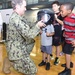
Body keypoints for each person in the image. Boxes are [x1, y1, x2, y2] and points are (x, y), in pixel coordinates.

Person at [2, 0, 46, 75]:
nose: (25, 9)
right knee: (33, 71)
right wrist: (38, 26)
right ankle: (13, 63)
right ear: (18, 7)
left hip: (19, 45)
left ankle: (11, 60)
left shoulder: (19, 17)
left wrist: (37, 23)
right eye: (24, 6)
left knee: (31, 41)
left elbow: (28, 24)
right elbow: (29, 34)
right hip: (15, 49)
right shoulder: (16, 19)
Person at [58, 2, 75, 75]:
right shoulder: (65, 17)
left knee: (67, 53)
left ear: (69, 11)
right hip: (67, 38)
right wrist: (65, 31)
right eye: (60, 10)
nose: (60, 12)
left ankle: (67, 70)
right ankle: (69, 64)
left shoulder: (74, 18)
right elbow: (66, 25)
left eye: (62, 11)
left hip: (72, 40)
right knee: (66, 52)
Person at [51, 1, 63, 65]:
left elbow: (63, 23)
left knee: (57, 46)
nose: (53, 7)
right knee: (51, 45)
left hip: (58, 32)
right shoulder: (51, 14)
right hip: (51, 32)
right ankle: (51, 55)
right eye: (52, 6)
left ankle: (57, 58)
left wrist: (56, 18)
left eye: (55, 6)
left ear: (58, 6)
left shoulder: (61, 14)